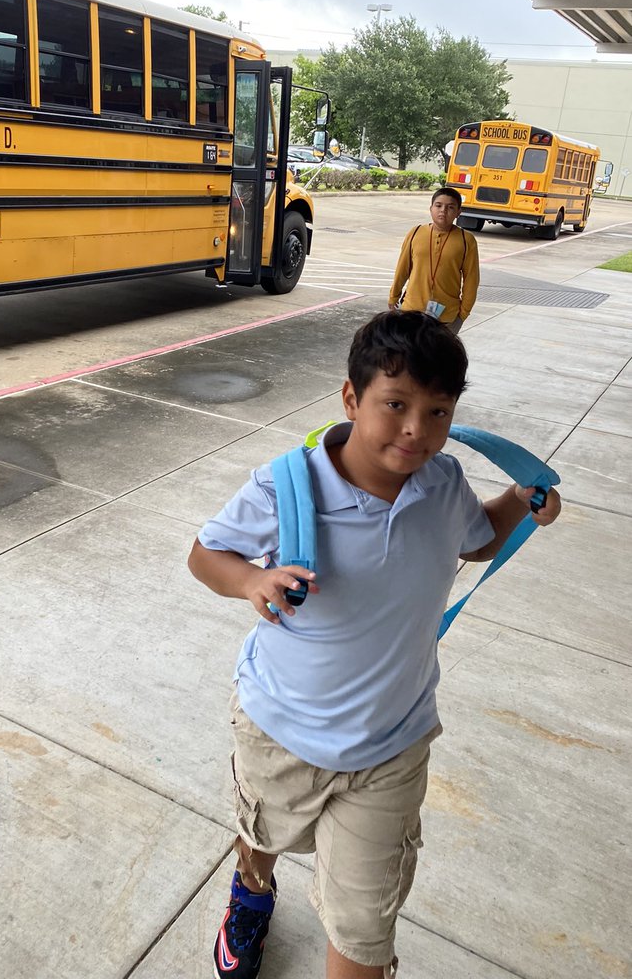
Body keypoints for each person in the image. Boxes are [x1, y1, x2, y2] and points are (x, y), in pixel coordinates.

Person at [188, 311, 561, 979]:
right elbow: (205, 554)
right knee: (262, 833)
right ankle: (251, 890)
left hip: (392, 744)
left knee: (365, 925)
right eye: (396, 405)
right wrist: (249, 580)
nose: (417, 429)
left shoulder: (443, 484)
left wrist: (517, 500)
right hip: (281, 727)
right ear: (351, 399)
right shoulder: (286, 487)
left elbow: (475, 539)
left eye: (438, 411)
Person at [388, 188, 479, 332]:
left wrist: (463, 313)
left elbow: (471, 280)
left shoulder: (466, 240)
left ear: (458, 212)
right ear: (431, 208)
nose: (443, 210)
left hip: (447, 317)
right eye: (438, 205)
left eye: (450, 207)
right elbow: (402, 268)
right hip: (411, 311)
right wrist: (394, 296)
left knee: (439, 348)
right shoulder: (416, 233)